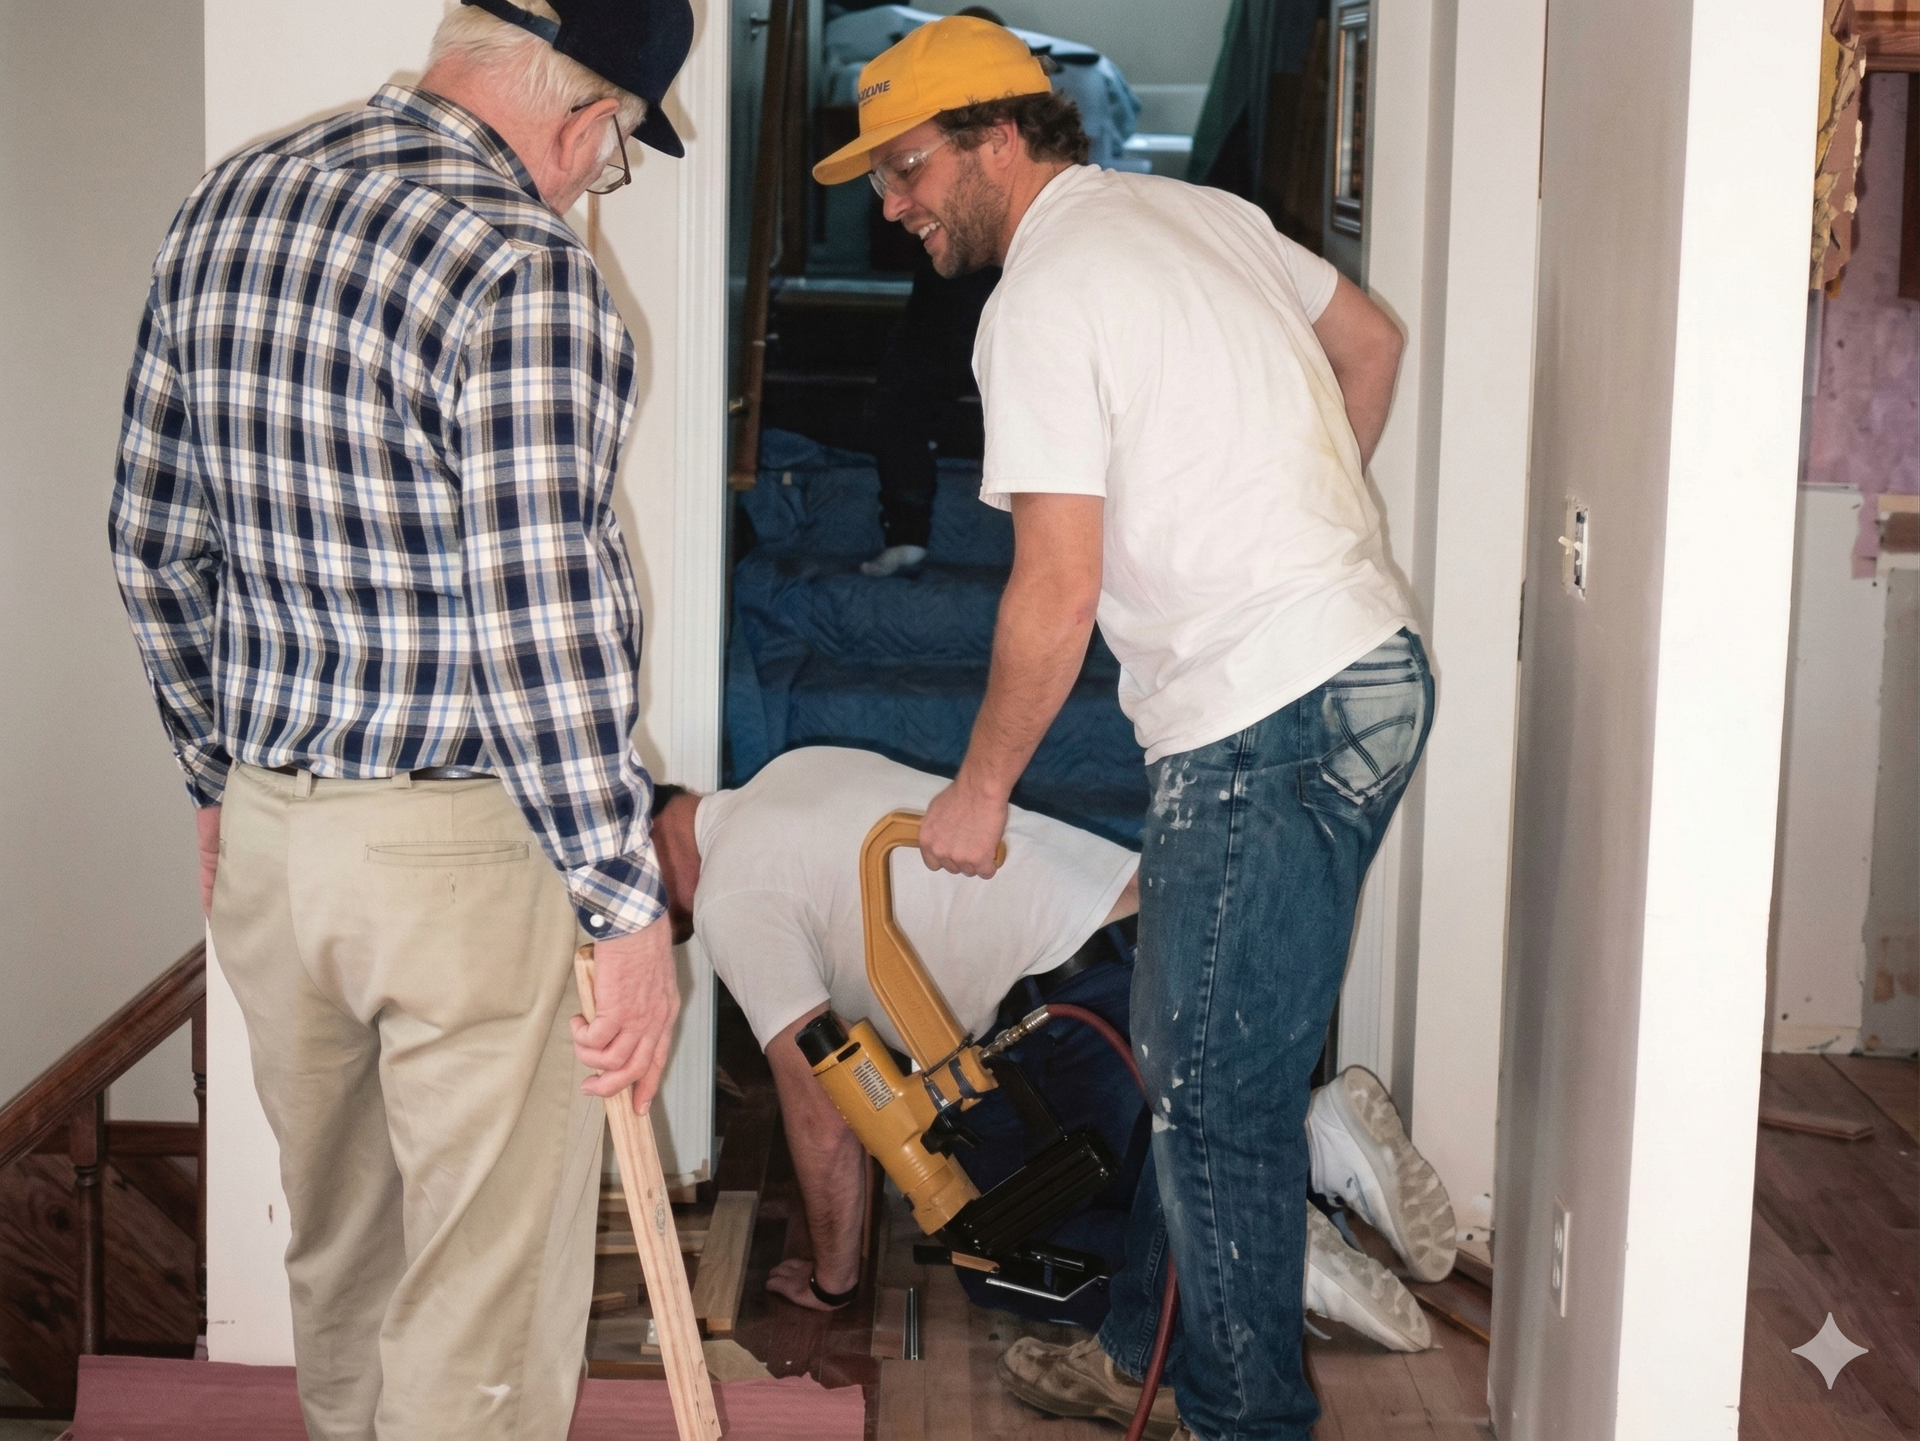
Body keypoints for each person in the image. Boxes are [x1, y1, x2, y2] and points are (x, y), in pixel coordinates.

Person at [810, 18, 1434, 1441]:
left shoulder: (1037, 299)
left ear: (1001, 135)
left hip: (1263, 719)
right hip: (1366, 674)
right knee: (1204, 1058)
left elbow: (1055, 583)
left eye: (908, 169)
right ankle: (1134, 1342)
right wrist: (1284, 531)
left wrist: (980, 791)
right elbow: (1373, 344)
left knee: (1211, 1099)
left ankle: (1242, 1418)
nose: (893, 204)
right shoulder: (1190, 212)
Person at [108, 2, 693, 1436]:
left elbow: (149, 541)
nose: (590, 183)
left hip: (274, 842)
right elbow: (538, 625)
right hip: (461, 860)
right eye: (610, 156)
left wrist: (217, 783)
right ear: (585, 121)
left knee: (346, 1260)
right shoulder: (522, 264)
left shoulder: (230, 199)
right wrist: (626, 912)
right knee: (480, 1315)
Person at [649, 746, 1448, 1434]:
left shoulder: (731, 894)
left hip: (1077, 1008)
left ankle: (1266, 1253)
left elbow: (822, 1112)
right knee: (1110, 1154)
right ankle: (1315, 1141)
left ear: (639, 841)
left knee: (989, 1246)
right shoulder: (787, 774)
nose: (614, 921)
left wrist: (834, 1280)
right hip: (1152, 941)